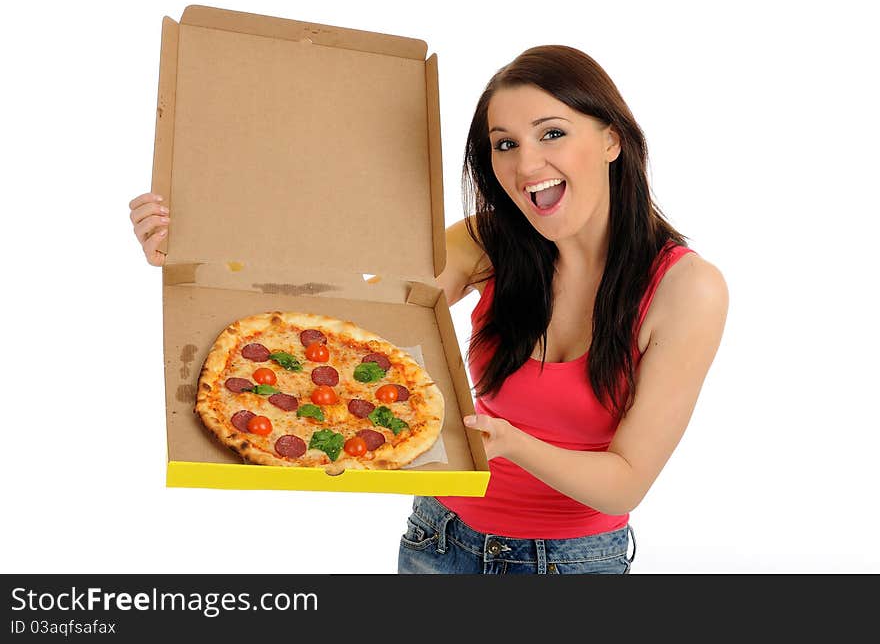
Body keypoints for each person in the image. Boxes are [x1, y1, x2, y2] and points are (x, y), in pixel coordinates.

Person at [129, 45, 728, 575]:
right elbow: (346, 302)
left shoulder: (687, 290)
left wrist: (508, 443)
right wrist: (196, 251)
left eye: (551, 133)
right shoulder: (489, 242)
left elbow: (627, 481)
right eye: (505, 145)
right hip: (438, 540)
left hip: (571, 565)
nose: (525, 165)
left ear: (611, 139)